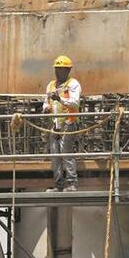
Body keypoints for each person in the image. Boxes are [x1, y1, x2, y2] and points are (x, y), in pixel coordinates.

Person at [42, 55, 81, 192]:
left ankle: (71, 183)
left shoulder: (73, 84)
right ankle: (58, 184)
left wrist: (59, 99)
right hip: (55, 125)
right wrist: (46, 108)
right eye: (57, 69)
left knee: (66, 152)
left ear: (68, 70)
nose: (59, 71)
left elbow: (75, 103)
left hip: (68, 123)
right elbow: (46, 102)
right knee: (55, 156)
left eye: (62, 69)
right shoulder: (51, 85)